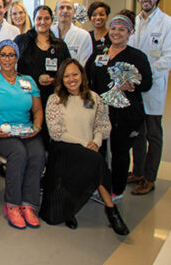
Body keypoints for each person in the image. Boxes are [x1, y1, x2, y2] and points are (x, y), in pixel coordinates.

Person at [40, 59, 129, 235]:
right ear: (61, 79)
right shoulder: (55, 100)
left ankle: (111, 210)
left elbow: (102, 125)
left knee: (95, 160)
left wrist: (96, 141)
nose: (71, 79)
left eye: (75, 74)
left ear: (82, 75)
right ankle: (111, 210)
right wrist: (84, 144)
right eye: (66, 76)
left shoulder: (94, 98)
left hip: (90, 148)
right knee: (96, 161)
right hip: (64, 148)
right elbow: (56, 133)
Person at [0, 40, 45, 230]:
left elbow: (38, 110)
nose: (7, 59)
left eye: (11, 55)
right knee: (18, 153)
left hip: (25, 129)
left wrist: (37, 128)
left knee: (38, 154)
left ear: (17, 58)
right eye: (3, 55)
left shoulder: (28, 81)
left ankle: (29, 204)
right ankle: (12, 204)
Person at [86, 11, 152, 201]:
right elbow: (87, 75)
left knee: (120, 152)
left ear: (129, 32)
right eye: (113, 29)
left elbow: (147, 83)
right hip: (100, 111)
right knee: (98, 149)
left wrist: (131, 86)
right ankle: (98, 184)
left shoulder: (137, 57)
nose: (116, 33)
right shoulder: (100, 53)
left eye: (121, 30)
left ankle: (117, 188)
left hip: (126, 114)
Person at [128, 0, 171, 195]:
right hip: (133, 87)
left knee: (153, 135)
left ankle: (149, 178)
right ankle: (138, 171)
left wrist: (145, 77)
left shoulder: (168, 23)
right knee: (137, 133)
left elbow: (168, 57)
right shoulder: (135, 22)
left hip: (153, 87)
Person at [15, 5, 70, 146]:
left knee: (48, 135)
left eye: (46, 18)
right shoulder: (22, 41)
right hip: (26, 95)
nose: (42, 22)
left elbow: (67, 70)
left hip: (51, 96)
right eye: (39, 18)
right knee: (28, 136)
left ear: (52, 20)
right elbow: (10, 64)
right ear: (33, 20)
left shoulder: (59, 45)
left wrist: (54, 80)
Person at [51, 0, 93, 66]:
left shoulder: (84, 36)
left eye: (69, 8)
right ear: (55, 12)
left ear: (74, 12)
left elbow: (83, 65)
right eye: (61, 7)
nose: (65, 11)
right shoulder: (49, 33)